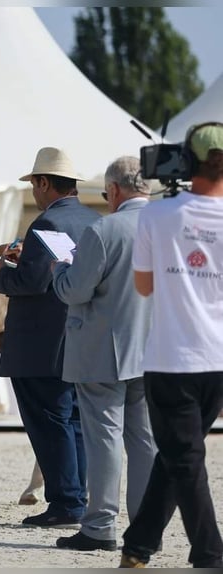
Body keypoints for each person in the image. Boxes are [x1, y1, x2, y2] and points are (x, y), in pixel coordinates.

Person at [118, 123, 223, 569]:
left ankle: (210, 552)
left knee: (184, 457)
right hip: (217, 358)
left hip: (171, 357)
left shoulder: (157, 216)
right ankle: (138, 546)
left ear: (185, 160)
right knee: (180, 454)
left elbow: (144, 287)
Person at [50, 156, 157, 552]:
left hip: (103, 350)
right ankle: (146, 526)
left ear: (113, 191)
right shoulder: (171, 226)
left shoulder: (105, 229)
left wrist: (60, 269)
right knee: (145, 441)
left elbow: (75, 291)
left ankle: (100, 526)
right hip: (156, 349)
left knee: (104, 439)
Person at [0, 147, 100, 528]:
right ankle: (79, 498)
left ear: (43, 182)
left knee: (49, 421)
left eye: (35, 184)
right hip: (82, 338)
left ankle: (66, 502)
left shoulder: (45, 225)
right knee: (75, 421)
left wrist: (2, 268)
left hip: (41, 344)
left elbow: (31, 281)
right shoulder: (93, 220)